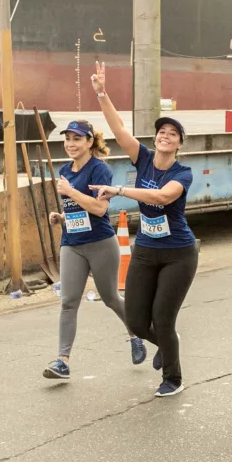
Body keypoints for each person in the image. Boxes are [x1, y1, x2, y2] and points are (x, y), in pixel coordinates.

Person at [87, 62, 198, 398]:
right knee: (136, 321)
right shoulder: (144, 158)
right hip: (147, 251)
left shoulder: (184, 173)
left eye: (172, 134)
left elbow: (163, 197)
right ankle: (168, 343)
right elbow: (119, 129)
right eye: (162, 132)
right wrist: (101, 94)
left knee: (162, 318)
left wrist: (120, 191)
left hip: (179, 254)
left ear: (179, 144)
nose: (165, 137)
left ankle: (173, 378)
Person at [43, 120, 146, 380]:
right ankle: (62, 361)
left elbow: (100, 210)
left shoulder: (99, 170)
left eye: (76, 139)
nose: (70, 144)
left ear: (89, 142)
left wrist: (69, 192)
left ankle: (137, 334)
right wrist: (62, 218)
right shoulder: (65, 169)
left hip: (100, 243)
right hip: (72, 244)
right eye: (67, 139)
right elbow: (78, 211)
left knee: (110, 297)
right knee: (68, 302)